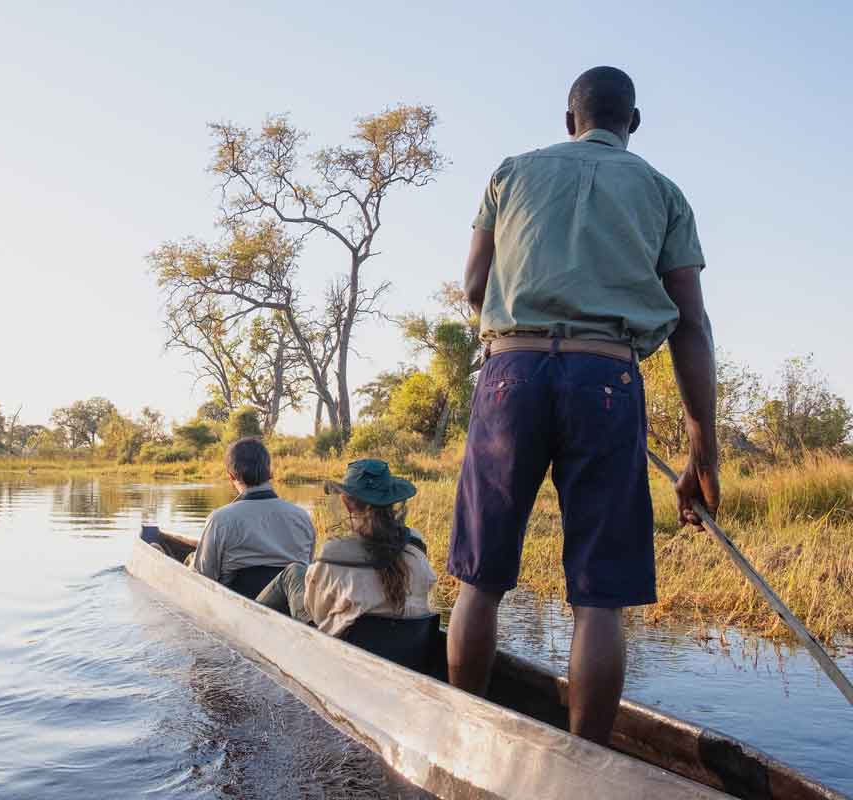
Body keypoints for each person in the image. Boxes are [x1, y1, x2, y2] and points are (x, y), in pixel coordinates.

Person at [446, 66, 720, 745]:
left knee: (480, 581)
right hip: (606, 381)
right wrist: (701, 447)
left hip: (510, 375)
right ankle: (586, 765)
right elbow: (691, 323)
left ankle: (460, 736)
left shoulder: (511, 173)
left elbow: (475, 284)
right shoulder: (661, 190)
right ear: (632, 122)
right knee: (598, 599)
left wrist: (512, 341)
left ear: (570, 121)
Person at [258, 459, 436, 637]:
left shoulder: (333, 555)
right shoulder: (415, 543)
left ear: (347, 503)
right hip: (407, 644)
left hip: (342, 651)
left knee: (293, 572)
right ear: (392, 501)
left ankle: (249, 618)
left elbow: (317, 614)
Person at [190, 437, 315, 592]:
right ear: (269, 471)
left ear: (231, 476)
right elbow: (308, 569)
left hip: (236, 607)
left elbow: (202, 578)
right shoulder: (302, 517)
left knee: (191, 560)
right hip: (290, 608)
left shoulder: (220, 520)